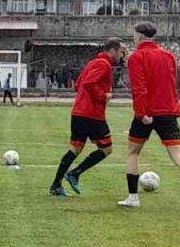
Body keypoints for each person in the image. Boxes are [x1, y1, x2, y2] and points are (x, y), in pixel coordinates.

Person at [121, 22, 180, 212]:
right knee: (178, 155)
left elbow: (139, 87)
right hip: (168, 110)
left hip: (149, 111)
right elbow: (169, 83)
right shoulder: (168, 55)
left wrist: (141, 114)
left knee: (133, 152)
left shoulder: (136, 56)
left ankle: (133, 197)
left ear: (139, 36)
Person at [51, 38, 125, 197]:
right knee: (106, 149)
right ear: (112, 50)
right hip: (92, 114)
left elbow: (77, 85)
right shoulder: (103, 64)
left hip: (79, 112)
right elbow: (89, 84)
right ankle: (74, 174)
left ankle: (56, 184)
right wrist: (103, 96)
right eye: (121, 52)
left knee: (75, 148)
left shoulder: (92, 62)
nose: (122, 56)